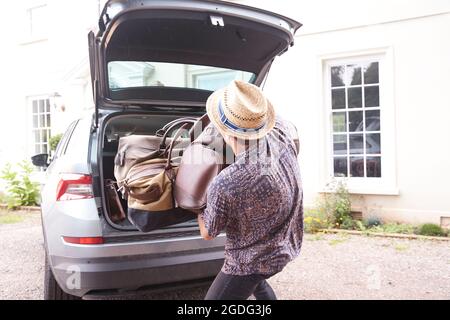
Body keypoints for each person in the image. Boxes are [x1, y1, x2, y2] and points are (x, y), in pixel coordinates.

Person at [197, 80, 303, 300]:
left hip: (248, 260)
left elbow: (208, 232)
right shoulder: (281, 131)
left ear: (225, 132)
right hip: (284, 242)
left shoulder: (226, 182)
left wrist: (198, 207)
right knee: (257, 282)